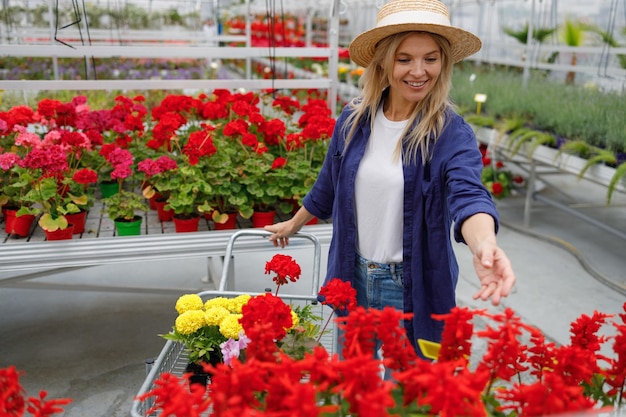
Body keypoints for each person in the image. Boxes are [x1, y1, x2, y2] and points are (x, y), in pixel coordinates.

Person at [264, 0, 516, 355]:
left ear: (443, 63)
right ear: (384, 61)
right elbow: (330, 183)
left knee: (406, 400)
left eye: (430, 58)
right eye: (404, 59)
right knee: (355, 387)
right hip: (353, 278)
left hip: (411, 287)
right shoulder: (354, 120)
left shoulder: (450, 133)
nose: (419, 71)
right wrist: (295, 223)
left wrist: (484, 244)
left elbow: (468, 195)